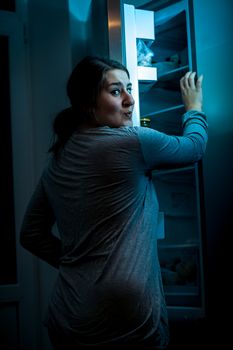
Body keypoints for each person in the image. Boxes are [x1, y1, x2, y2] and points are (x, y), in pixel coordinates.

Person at [20, 56, 208, 349]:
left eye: (129, 88)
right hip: (125, 319)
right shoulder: (131, 143)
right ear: (87, 103)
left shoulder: (58, 158)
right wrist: (194, 108)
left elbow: (31, 234)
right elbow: (194, 147)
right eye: (116, 91)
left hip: (69, 313)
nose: (130, 100)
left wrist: (79, 265)